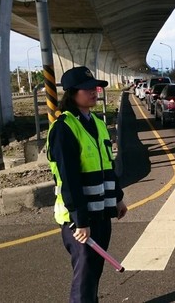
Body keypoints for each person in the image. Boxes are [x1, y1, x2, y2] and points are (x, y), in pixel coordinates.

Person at [46, 66, 128, 303]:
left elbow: (107, 168)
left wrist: (118, 198)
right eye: (87, 88)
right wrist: (80, 220)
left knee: (93, 273)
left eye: (95, 87)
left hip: (101, 214)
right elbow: (69, 179)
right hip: (79, 221)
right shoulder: (64, 127)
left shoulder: (98, 124)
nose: (94, 91)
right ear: (72, 93)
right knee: (84, 277)